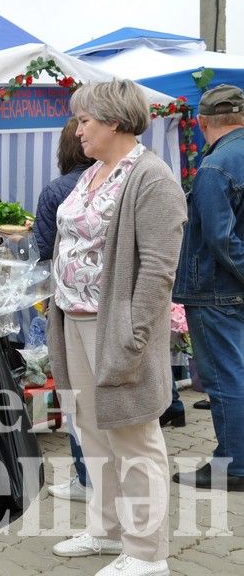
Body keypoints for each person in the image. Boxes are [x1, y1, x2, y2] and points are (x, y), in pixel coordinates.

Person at [47, 80, 185, 576]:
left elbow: (157, 271)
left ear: (113, 121)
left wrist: (132, 337)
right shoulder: (94, 174)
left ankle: (148, 554)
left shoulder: (151, 179)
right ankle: (106, 530)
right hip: (75, 322)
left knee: (134, 438)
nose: (77, 129)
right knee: (91, 431)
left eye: (84, 120)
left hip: (116, 331)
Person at [172, 84, 244, 492]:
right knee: (236, 375)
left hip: (218, 290)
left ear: (201, 123)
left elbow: (219, 237)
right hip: (228, 287)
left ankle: (233, 466)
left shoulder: (216, 168)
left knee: (225, 379)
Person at [36, 117, 95, 503]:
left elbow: (44, 252)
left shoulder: (58, 189)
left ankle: (85, 477)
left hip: (66, 305)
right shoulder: (122, 182)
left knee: (74, 393)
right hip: (108, 309)